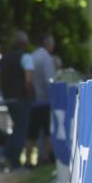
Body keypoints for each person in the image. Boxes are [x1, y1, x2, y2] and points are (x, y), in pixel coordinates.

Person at [0, 30, 34, 169]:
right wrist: (30, 95)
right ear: (24, 43)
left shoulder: (4, 58)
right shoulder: (26, 57)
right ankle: (13, 161)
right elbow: (28, 80)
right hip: (22, 98)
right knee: (21, 130)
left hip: (8, 98)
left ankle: (6, 156)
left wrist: (6, 91)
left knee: (16, 128)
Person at [27, 34, 56, 166]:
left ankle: (28, 161)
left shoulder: (31, 56)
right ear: (49, 45)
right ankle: (45, 158)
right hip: (45, 101)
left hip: (33, 101)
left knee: (31, 133)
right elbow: (49, 80)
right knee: (48, 131)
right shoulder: (47, 58)